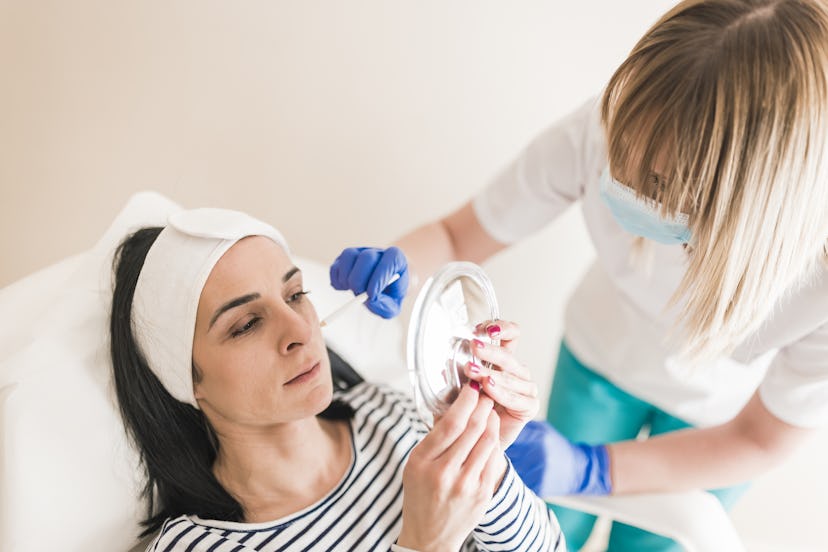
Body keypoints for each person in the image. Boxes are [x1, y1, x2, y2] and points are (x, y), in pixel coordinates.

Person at [330, 0, 828, 550]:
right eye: (620, 153)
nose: (625, 185)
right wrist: (396, 263)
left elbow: (760, 439)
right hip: (597, 359)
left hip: (717, 425)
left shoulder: (818, 283)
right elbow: (457, 236)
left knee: (656, 541)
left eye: (658, 187)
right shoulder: (608, 125)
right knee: (543, 525)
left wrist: (593, 469)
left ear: (752, 211)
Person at [109, 207, 564, 551]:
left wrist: (488, 460)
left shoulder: (386, 411)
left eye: (295, 294)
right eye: (246, 323)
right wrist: (424, 543)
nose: (299, 330)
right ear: (187, 380)